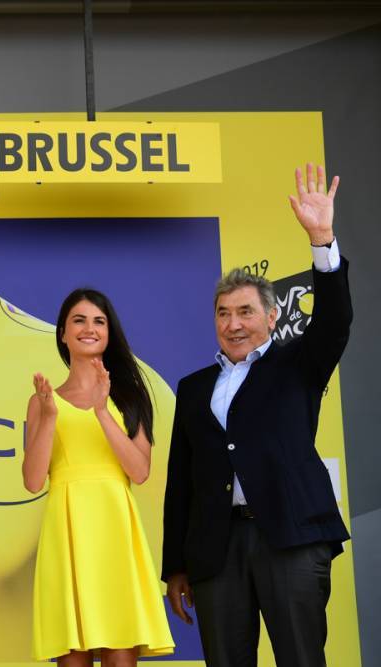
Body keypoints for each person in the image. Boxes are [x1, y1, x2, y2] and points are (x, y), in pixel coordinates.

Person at [162, 164, 351, 667]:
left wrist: (322, 240)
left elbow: (335, 320)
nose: (233, 323)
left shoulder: (299, 363)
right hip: (216, 549)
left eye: (245, 311)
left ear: (271, 316)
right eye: (223, 313)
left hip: (292, 536)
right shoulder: (193, 387)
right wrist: (176, 565)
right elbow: (181, 481)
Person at [23, 288, 174, 666]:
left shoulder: (132, 395)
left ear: (109, 333)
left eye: (99, 321)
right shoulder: (42, 402)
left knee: (120, 651)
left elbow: (139, 471)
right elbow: (33, 480)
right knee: (71, 653)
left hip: (114, 529)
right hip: (66, 529)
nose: (89, 328)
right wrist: (50, 417)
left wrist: (102, 412)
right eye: (79, 320)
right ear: (63, 333)